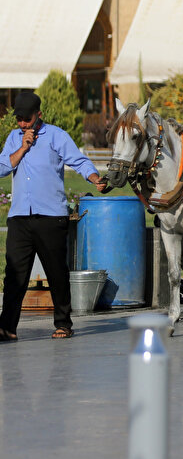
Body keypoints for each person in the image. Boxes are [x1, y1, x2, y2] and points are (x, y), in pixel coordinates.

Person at [0, 92, 107, 341]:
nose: (23, 124)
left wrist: (94, 178)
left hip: (51, 217)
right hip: (20, 217)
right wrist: (23, 148)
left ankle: (63, 323)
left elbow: (79, 161)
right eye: (19, 119)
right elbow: (3, 167)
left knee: (57, 273)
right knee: (14, 274)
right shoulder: (14, 139)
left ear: (39, 115)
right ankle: (7, 327)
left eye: (27, 119)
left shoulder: (56, 135)